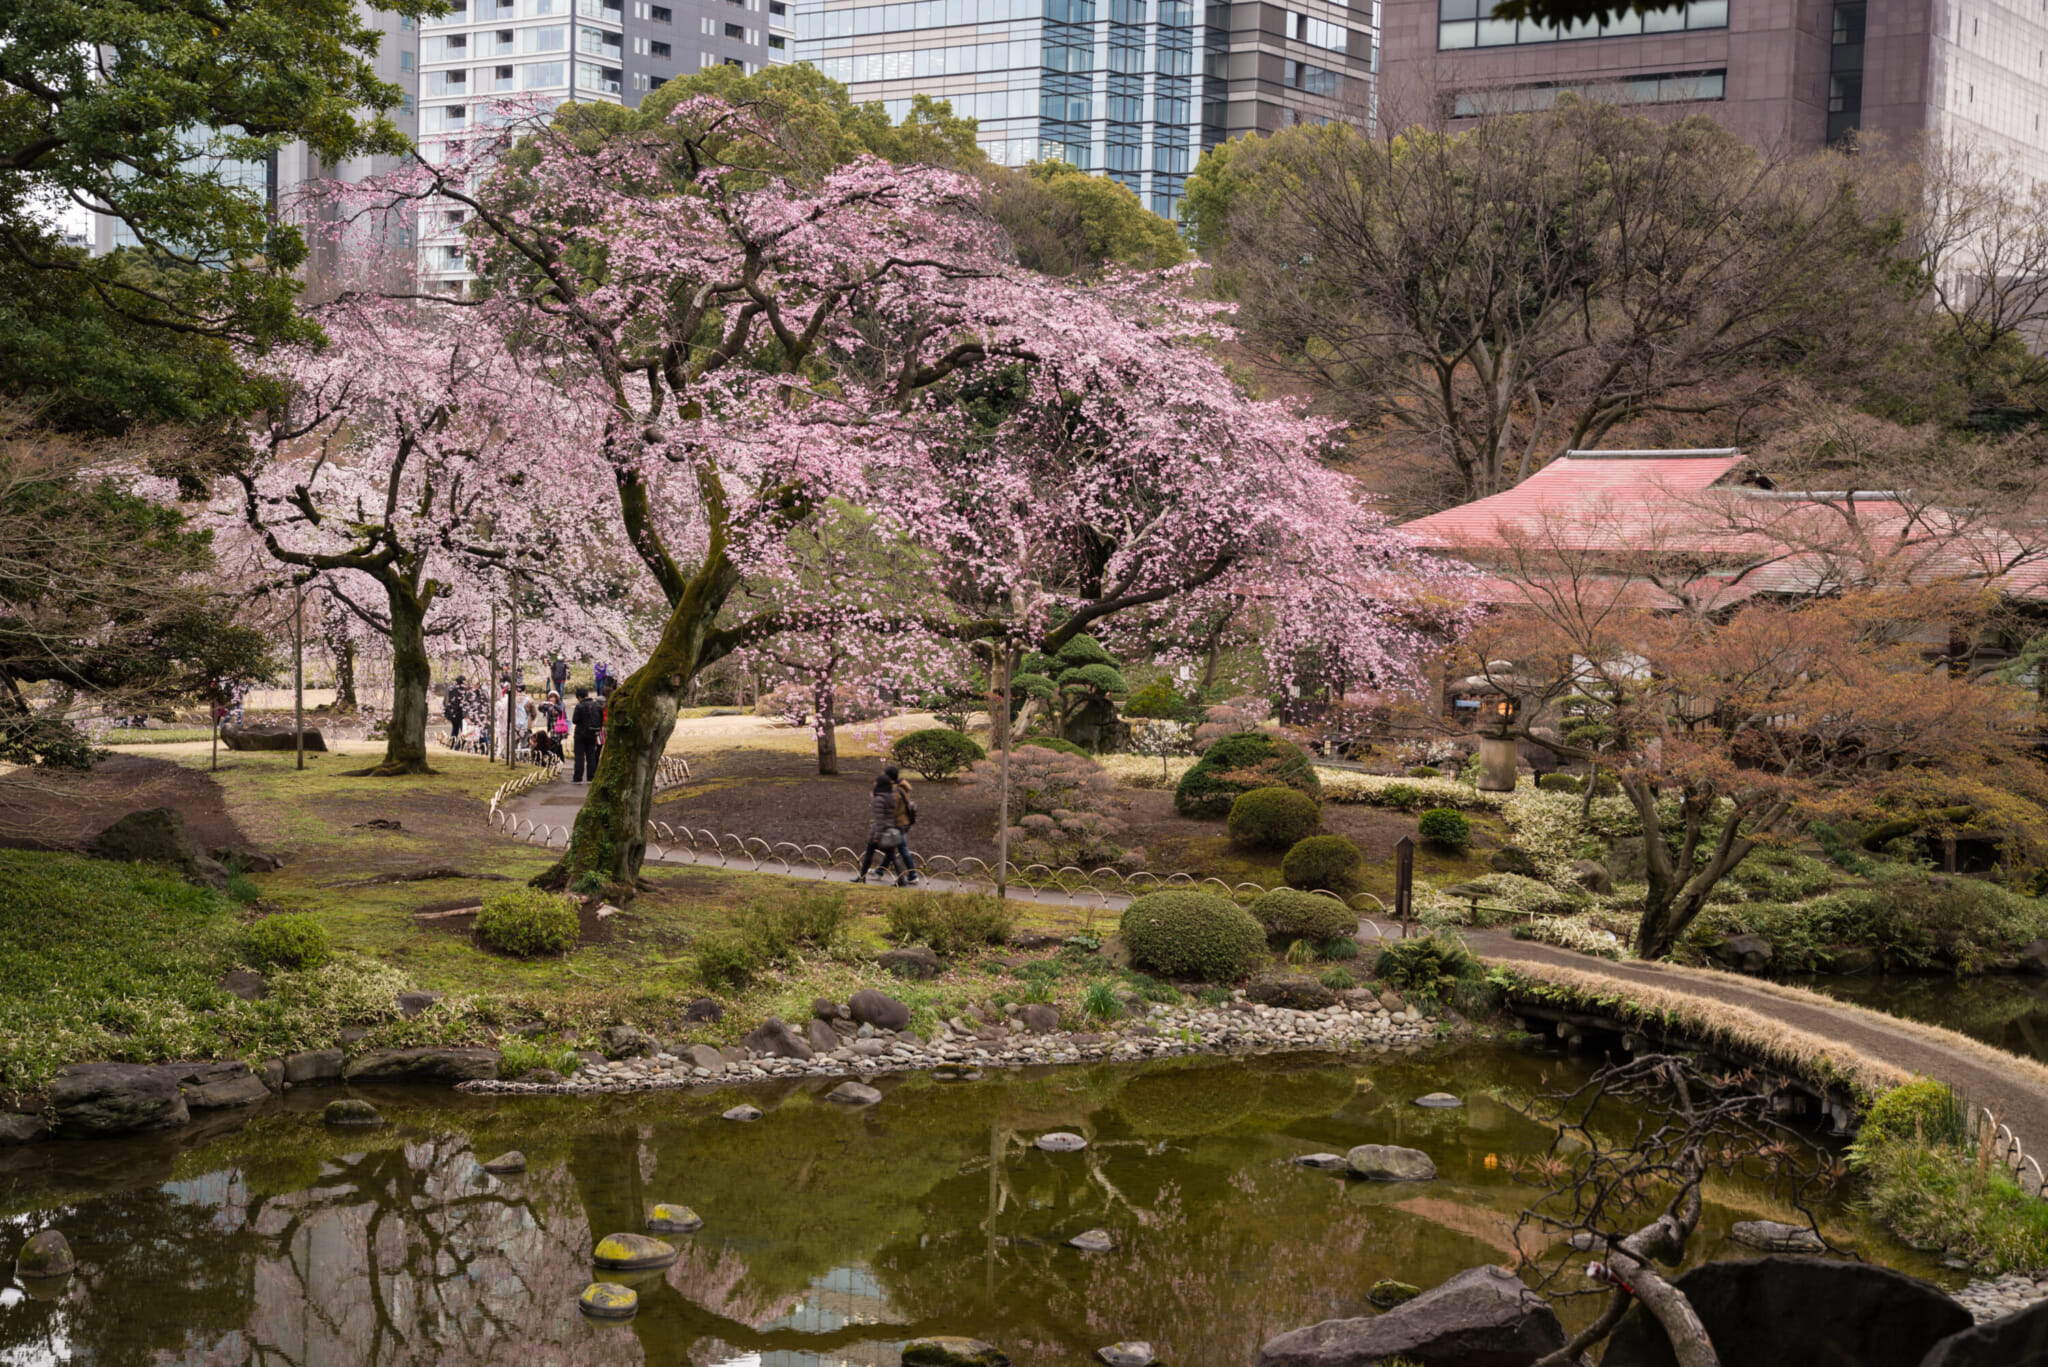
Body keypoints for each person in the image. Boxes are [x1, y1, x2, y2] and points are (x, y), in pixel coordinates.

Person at [855, 764, 919, 886]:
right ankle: (880, 871)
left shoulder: (894, 791)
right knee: (891, 849)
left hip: (899, 823)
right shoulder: (902, 786)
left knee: (900, 849)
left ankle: (912, 875)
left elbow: (890, 810)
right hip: (902, 822)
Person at [570, 686, 605, 782]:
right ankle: (591, 777)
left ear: (579, 697)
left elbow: (574, 720)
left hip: (580, 734)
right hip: (593, 734)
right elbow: (601, 720)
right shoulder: (597, 706)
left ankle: (578, 778)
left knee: (579, 756)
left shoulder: (579, 706)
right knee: (591, 755)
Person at [444, 675, 468, 744]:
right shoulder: (463, 691)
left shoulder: (451, 689)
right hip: (459, 714)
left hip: (452, 713)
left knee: (455, 729)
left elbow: (448, 701)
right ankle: (460, 745)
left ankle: (451, 744)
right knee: (463, 730)